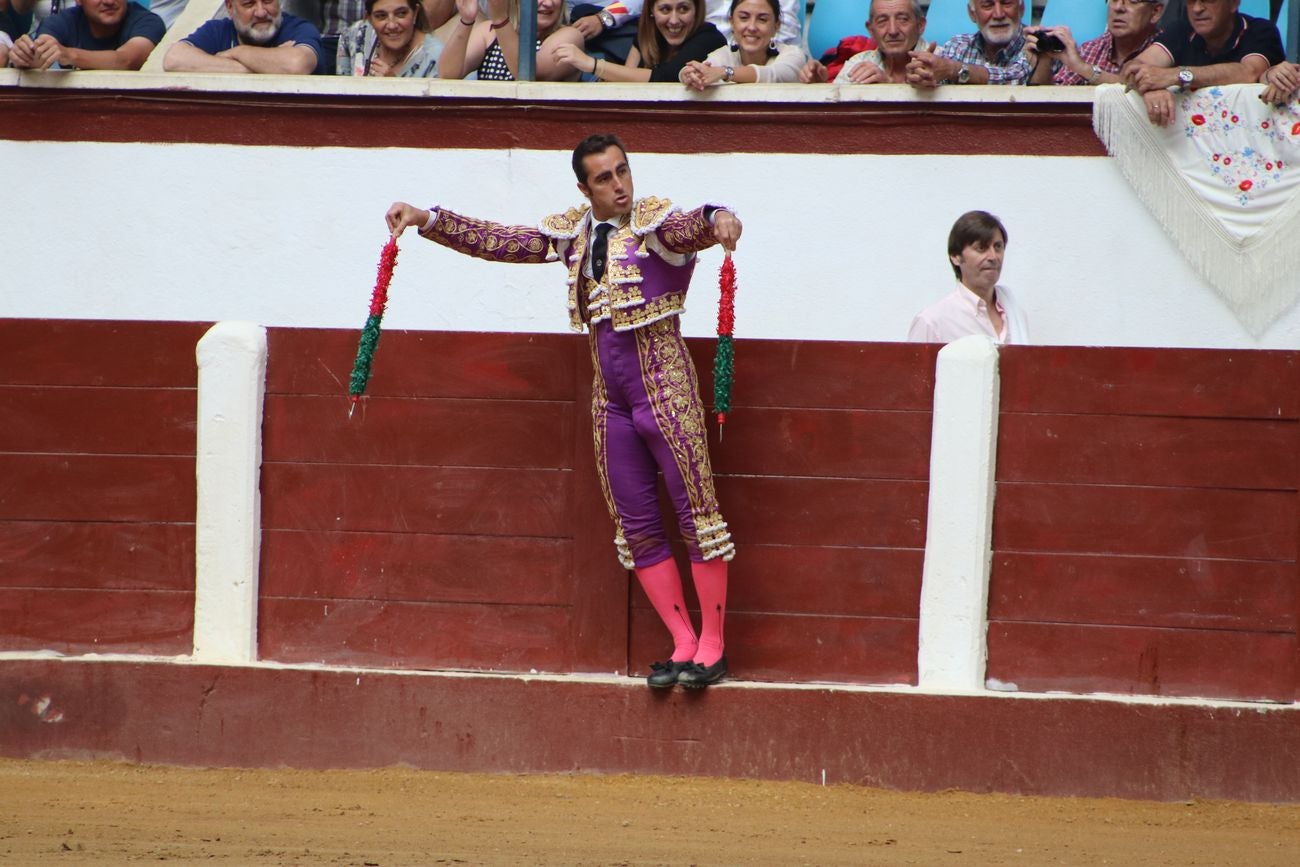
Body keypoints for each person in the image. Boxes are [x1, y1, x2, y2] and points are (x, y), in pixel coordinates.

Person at [384, 133, 741, 688]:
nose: (620, 185)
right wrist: (428, 219)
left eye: (623, 171)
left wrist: (719, 216)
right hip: (612, 405)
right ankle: (683, 643)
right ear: (584, 187)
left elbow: (691, 223)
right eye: (605, 178)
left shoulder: (656, 227)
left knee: (700, 519)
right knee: (638, 527)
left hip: (666, 391)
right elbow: (502, 241)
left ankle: (713, 647)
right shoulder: (572, 236)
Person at [1122, 0, 1284, 126]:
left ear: (1233, 3)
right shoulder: (1181, 29)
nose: (1197, 9)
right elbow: (1133, 67)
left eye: (1208, 0)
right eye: (1191, 1)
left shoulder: (1260, 30)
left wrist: (1177, 75)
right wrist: (1150, 88)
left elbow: (1249, 72)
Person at [908, 210, 1027, 345]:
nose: (993, 257)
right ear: (956, 257)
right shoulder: (933, 323)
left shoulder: (1014, 316)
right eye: (981, 248)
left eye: (998, 247)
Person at [553, 0, 724, 82]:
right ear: (651, 11)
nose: (674, 20)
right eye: (665, 9)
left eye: (683, 9)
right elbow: (626, 84)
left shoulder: (709, 37)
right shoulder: (646, 37)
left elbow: (667, 76)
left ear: (696, 11)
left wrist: (591, 64)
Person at [1026, 0, 1164, 86]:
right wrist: (1044, 59)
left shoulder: (1169, 49)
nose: (1119, 8)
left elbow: (1134, 90)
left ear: (1155, 12)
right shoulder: (1090, 49)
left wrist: (1082, 68)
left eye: (1133, 1)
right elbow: (1055, 102)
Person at [164, 0, 325, 73]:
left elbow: (296, 65)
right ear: (229, 7)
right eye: (249, 4)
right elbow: (174, 59)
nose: (261, 12)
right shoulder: (218, 30)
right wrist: (267, 66)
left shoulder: (299, 28)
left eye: (268, 1)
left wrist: (236, 53)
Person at [439, 0, 581, 80]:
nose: (549, 3)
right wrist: (467, 20)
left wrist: (500, 19)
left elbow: (528, 76)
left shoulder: (570, 36)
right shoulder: (489, 32)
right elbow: (447, 74)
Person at [799, 0, 933, 85]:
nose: (893, 30)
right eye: (882, 21)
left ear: (920, 25)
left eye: (903, 19)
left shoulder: (940, 62)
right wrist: (819, 87)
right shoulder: (858, 63)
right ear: (871, 30)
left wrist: (889, 88)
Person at [906, 0, 1031, 87]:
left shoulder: (1035, 45)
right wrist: (922, 75)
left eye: (1006, 3)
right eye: (987, 5)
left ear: (1021, 9)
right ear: (972, 14)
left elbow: (1018, 79)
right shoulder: (956, 46)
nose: (998, 14)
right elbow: (935, 81)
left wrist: (954, 70)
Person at [679, 0, 802, 88]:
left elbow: (773, 75)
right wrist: (689, 74)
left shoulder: (793, 54)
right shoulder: (724, 54)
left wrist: (725, 72)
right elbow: (705, 70)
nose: (752, 27)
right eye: (744, 18)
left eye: (762, 19)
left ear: (776, 25)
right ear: (732, 22)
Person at [8, 0, 163, 70]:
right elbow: (42, 50)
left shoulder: (147, 21)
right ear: (78, 1)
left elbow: (127, 60)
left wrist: (69, 55)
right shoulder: (62, 20)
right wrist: (25, 55)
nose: (109, 1)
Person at [336, 0, 442, 76]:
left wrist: (393, 86)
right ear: (369, 18)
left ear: (415, 13)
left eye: (401, 14)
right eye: (381, 16)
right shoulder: (353, 36)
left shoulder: (436, 57)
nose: (392, 25)